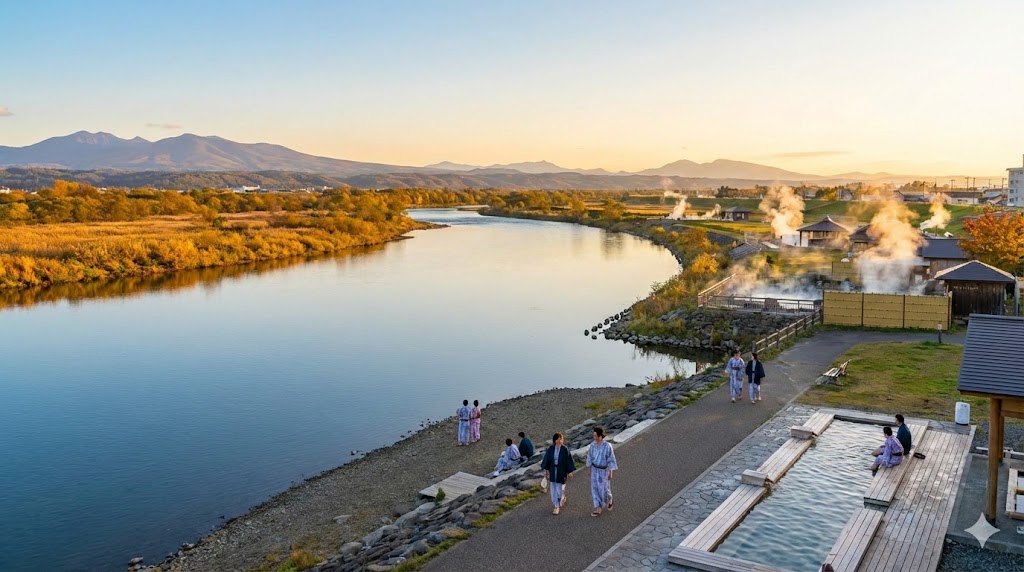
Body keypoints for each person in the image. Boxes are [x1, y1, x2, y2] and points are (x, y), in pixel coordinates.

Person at [540, 432, 575, 515]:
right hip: (553, 470)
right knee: (553, 489)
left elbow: (568, 460)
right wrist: (546, 470)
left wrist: (569, 471)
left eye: (561, 440)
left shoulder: (564, 449)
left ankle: (562, 498)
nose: (560, 441)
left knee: (560, 489)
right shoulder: (551, 449)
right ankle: (556, 506)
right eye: (558, 440)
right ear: (555, 440)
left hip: (561, 471)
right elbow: (547, 460)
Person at [586, 426, 617, 517]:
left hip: (604, 470)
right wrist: (589, 469)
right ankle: (598, 507)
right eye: (594, 436)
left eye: (596, 436)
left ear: (600, 436)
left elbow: (611, 459)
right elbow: (590, 457)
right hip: (595, 469)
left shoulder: (607, 446)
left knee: (604, 488)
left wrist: (610, 472)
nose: (594, 438)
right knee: (594, 488)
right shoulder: (592, 445)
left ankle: (609, 499)